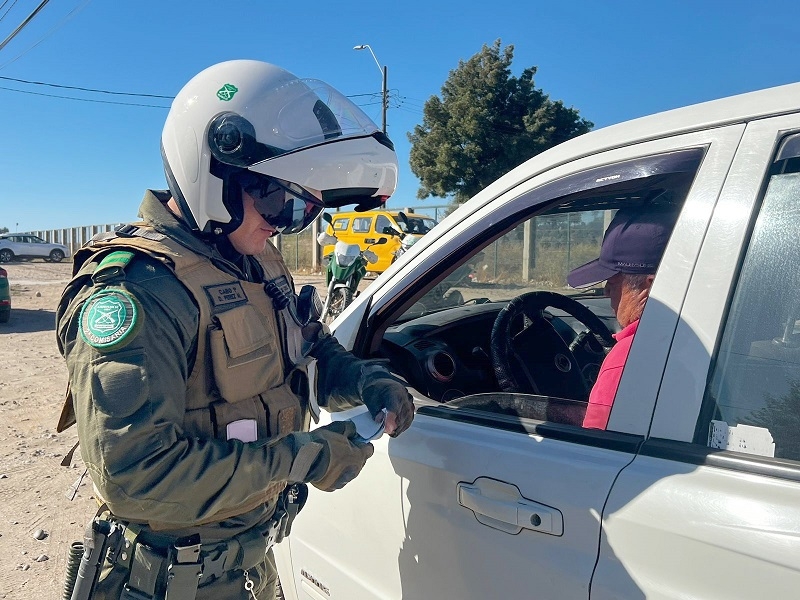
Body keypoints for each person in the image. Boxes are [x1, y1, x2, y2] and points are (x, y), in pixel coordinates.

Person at [55, 60, 414, 600]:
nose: (286, 220)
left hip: (250, 563)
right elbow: (137, 478)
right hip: (172, 581)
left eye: (304, 208)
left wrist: (365, 380)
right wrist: (308, 456)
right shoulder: (138, 290)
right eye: (277, 199)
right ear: (214, 174)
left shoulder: (258, 262)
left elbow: (308, 348)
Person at [567, 206, 677, 430]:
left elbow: (592, 447)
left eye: (614, 281)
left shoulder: (629, 358)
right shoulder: (686, 337)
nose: (606, 291)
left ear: (651, 284)